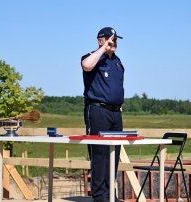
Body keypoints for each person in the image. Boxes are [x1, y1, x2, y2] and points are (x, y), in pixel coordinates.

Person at [81, 27, 124, 202]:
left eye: (115, 40)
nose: (113, 43)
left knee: (114, 155)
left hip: (115, 113)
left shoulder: (118, 62)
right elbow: (86, 65)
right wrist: (103, 49)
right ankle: (100, 196)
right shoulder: (92, 57)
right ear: (101, 40)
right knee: (99, 155)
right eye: (110, 39)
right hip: (97, 111)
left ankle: (109, 194)